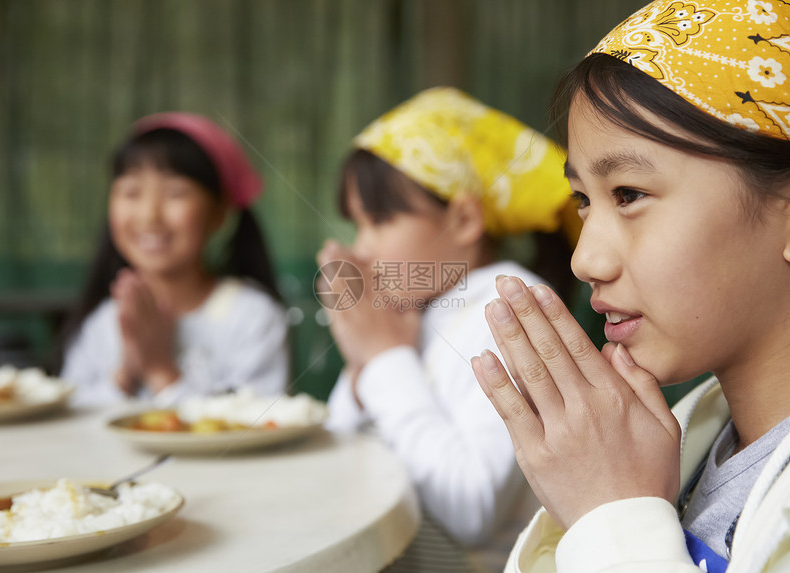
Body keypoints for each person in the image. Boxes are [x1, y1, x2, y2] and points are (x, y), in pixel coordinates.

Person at [470, 1, 790, 571]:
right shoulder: (677, 437)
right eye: (584, 201)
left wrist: (614, 515)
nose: (586, 260)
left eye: (628, 194)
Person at [318, 87, 577, 571]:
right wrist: (361, 366)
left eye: (379, 221)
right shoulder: (418, 306)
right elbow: (338, 443)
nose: (363, 247)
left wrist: (383, 360)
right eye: (356, 225)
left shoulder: (507, 307)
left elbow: (473, 508)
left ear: (462, 219)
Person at [61, 112, 289, 407]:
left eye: (175, 193)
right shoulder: (104, 321)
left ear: (218, 212)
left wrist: (160, 370)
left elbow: (258, 425)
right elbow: (69, 429)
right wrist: (126, 374)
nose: (149, 215)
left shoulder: (251, 318)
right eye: (131, 193)